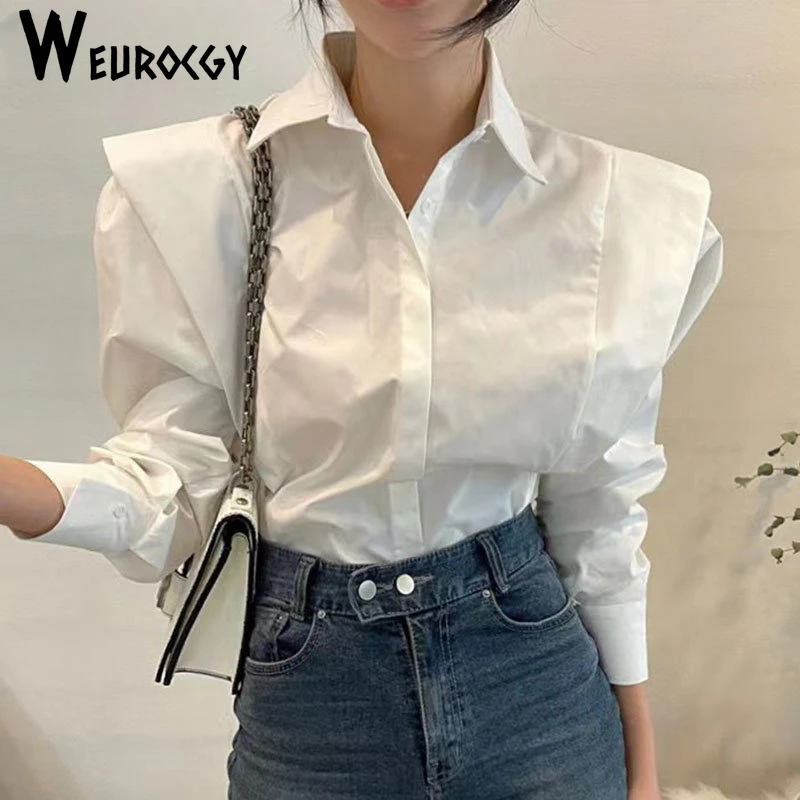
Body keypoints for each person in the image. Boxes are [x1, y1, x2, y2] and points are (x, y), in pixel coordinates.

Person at [2, 0, 723, 798]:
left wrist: (641, 762)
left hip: (539, 700)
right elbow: (174, 486)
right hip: (312, 707)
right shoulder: (193, 189)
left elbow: (598, 509)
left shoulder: (619, 209)